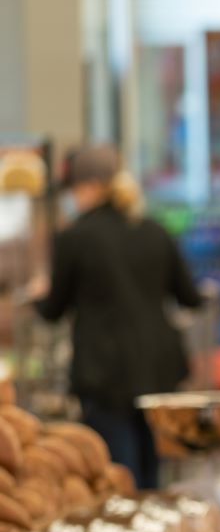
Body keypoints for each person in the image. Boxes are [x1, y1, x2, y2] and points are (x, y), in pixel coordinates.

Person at [30, 145, 203, 490]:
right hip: (159, 370)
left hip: (104, 373)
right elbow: (190, 297)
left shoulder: (75, 237)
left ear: (89, 186)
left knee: (118, 479)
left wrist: (37, 295)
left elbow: (53, 310)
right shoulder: (154, 230)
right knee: (154, 478)